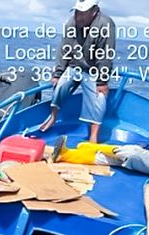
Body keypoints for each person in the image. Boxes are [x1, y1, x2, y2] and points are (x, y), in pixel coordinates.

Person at [39, 0, 116, 143]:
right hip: (74, 66)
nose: (78, 16)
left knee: (99, 99)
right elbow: (64, 49)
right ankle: (53, 117)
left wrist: (102, 81)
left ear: (93, 12)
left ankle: (93, 136)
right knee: (60, 86)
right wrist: (58, 73)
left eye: (82, 13)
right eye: (76, 12)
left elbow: (106, 54)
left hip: (94, 70)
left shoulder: (106, 24)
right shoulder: (71, 23)